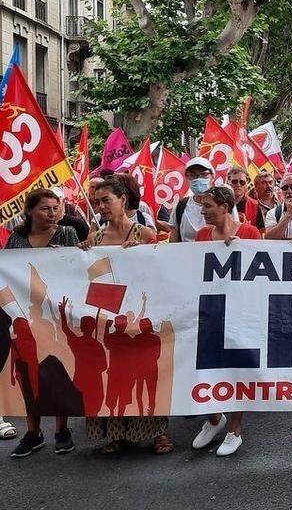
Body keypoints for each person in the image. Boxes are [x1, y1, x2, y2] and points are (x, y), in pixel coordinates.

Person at [81, 180, 171, 455]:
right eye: (97, 202)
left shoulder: (143, 233)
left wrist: (144, 254)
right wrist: (79, 254)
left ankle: (158, 433)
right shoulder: (94, 238)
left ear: (123, 200)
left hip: (140, 318)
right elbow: (85, 279)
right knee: (113, 377)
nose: (101, 207)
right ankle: (115, 433)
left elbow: (163, 272)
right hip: (108, 321)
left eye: (106, 200)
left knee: (145, 374)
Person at [6, 188, 80, 457]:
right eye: (45, 208)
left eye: (55, 207)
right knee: (28, 375)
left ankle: (62, 430)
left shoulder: (67, 233)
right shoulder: (17, 238)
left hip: (57, 316)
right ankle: (33, 432)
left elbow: (78, 271)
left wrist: (67, 257)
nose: (51, 213)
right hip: (24, 317)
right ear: (29, 211)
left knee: (57, 372)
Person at [191, 186, 261, 456]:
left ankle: (234, 430)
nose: (203, 210)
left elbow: (260, 273)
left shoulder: (249, 233)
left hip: (241, 312)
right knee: (203, 368)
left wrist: (238, 252)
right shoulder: (201, 236)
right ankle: (213, 418)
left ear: (224, 206)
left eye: (208, 205)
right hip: (209, 310)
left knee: (235, 370)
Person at [169, 157, 215, 242]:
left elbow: (233, 230)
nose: (198, 179)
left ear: (213, 176)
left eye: (204, 174)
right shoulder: (180, 207)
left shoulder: (223, 203)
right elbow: (173, 243)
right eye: (192, 175)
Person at [227, 166, 265, 231]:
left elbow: (261, 231)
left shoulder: (254, 205)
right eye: (234, 181)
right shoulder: (220, 202)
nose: (238, 185)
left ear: (247, 183)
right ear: (228, 181)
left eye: (242, 182)